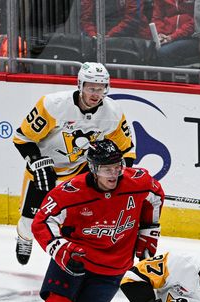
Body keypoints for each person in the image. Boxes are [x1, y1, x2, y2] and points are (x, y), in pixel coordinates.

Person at [23, 139, 163, 302]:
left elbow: (155, 197)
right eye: (107, 169)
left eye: (118, 167)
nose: (114, 174)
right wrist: (61, 250)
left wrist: (148, 230)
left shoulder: (138, 182)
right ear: (93, 168)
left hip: (113, 268)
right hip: (74, 261)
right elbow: (42, 221)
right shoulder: (70, 193)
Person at [12, 62, 136, 265]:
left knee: (82, 218)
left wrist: (124, 176)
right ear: (80, 85)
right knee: (30, 222)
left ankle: (78, 249)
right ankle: (24, 237)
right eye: (91, 88)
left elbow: (127, 149)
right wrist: (37, 162)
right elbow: (22, 138)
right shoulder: (52, 105)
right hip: (46, 168)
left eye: (101, 88)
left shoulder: (113, 112)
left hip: (81, 169)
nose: (96, 93)